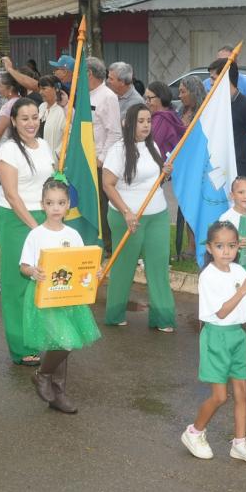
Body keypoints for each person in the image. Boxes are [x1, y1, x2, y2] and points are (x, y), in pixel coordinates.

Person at [181, 220, 246, 464]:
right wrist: (242, 291)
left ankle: (239, 443)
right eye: (220, 246)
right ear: (209, 248)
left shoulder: (239, 271)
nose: (226, 251)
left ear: (238, 247)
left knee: (242, 393)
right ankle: (194, 432)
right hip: (216, 336)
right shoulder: (208, 276)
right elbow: (221, 312)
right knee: (220, 396)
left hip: (238, 336)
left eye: (231, 245)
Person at [20, 178, 101, 414]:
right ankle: (42, 374)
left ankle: (58, 393)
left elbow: (80, 265)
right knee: (66, 341)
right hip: (45, 298)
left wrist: (93, 270)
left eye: (61, 203)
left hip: (68, 299)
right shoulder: (36, 235)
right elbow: (24, 266)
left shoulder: (73, 234)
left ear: (68, 206)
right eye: (50, 203)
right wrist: (33, 271)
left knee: (62, 343)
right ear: (42, 205)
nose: (55, 208)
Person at [102, 103, 175, 331]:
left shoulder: (152, 145)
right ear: (129, 124)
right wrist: (126, 212)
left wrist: (165, 173)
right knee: (123, 267)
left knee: (158, 267)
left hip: (158, 215)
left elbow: (152, 181)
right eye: (141, 121)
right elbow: (107, 184)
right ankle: (114, 314)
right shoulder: (118, 150)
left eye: (148, 121)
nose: (146, 125)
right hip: (126, 218)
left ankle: (163, 318)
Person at [0, 98, 54, 365]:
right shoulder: (8, 151)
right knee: (17, 284)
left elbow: (50, 182)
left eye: (34, 117)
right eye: (24, 118)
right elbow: (12, 195)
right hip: (17, 220)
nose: (31, 123)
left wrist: (52, 218)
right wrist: (36, 228)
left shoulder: (45, 146)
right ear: (14, 122)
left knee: (43, 281)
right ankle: (21, 347)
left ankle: (43, 337)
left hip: (43, 217)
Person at [89, 57, 122, 252]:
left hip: (100, 162)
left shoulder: (107, 96)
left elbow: (114, 132)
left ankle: (108, 247)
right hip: (87, 159)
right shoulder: (87, 95)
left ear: (89, 74)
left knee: (103, 206)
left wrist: (101, 159)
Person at [175, 75, 206, 259]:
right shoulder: (180, 111)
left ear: (193, 92)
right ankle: (190, 245)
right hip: (184, 167)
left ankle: (201, 244)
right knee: (186, 207)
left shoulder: (205, 112)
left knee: (199, 207)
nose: (180, 96)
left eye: (183, 92)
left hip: (199, 167)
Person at [203, 45, 246, 113]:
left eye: (226, 61)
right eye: (219, 61)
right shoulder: (206, 84)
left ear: (235, 63)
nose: (221, 64)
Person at [0, 72, 25, 158]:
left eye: (0, 85)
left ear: (10, 88)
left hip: (5, 148)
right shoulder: (21, 100)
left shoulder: (9, 106)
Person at [144, 81, 185, 157]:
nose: (146, 102)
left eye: (149, 98)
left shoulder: (161, 120)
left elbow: (148, 147)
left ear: (161, 98)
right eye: (146, 98)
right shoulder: (171, 114)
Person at [37, 75, 65, 162]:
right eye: (40, 89)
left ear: (56, 89)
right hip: (40, 157)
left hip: (55, 161)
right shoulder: (42, 107)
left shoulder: (63, 110)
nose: (40, 92)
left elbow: (69, 135)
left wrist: (58, 154)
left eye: (44, 88)